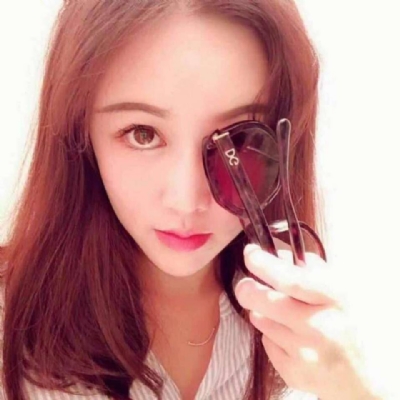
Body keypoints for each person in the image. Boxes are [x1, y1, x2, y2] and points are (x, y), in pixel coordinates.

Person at [0, 1, 389, 399]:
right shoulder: (10, 325)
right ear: (81, 132)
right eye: (143, 134)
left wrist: (352, 390)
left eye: (237, 138)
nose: (187, 201)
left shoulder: (311, 330)